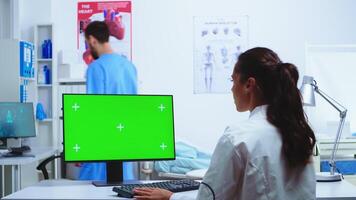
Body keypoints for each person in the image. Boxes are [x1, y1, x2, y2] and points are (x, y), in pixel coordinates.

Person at [134, 47, 316, 200]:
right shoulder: (298, 133)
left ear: (248, 85)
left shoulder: (239, 137)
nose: (231, 88)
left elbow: (208, 198)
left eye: (233, 80)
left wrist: (170, 197)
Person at [79, 21, 138, 181]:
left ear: (92, 40)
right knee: (123, 187)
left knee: (93, 188)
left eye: (87, 43)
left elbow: (93, 110)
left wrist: (81, 148)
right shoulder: (129, 66)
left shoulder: (96, 68)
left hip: (102, 143)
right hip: (125, 142)